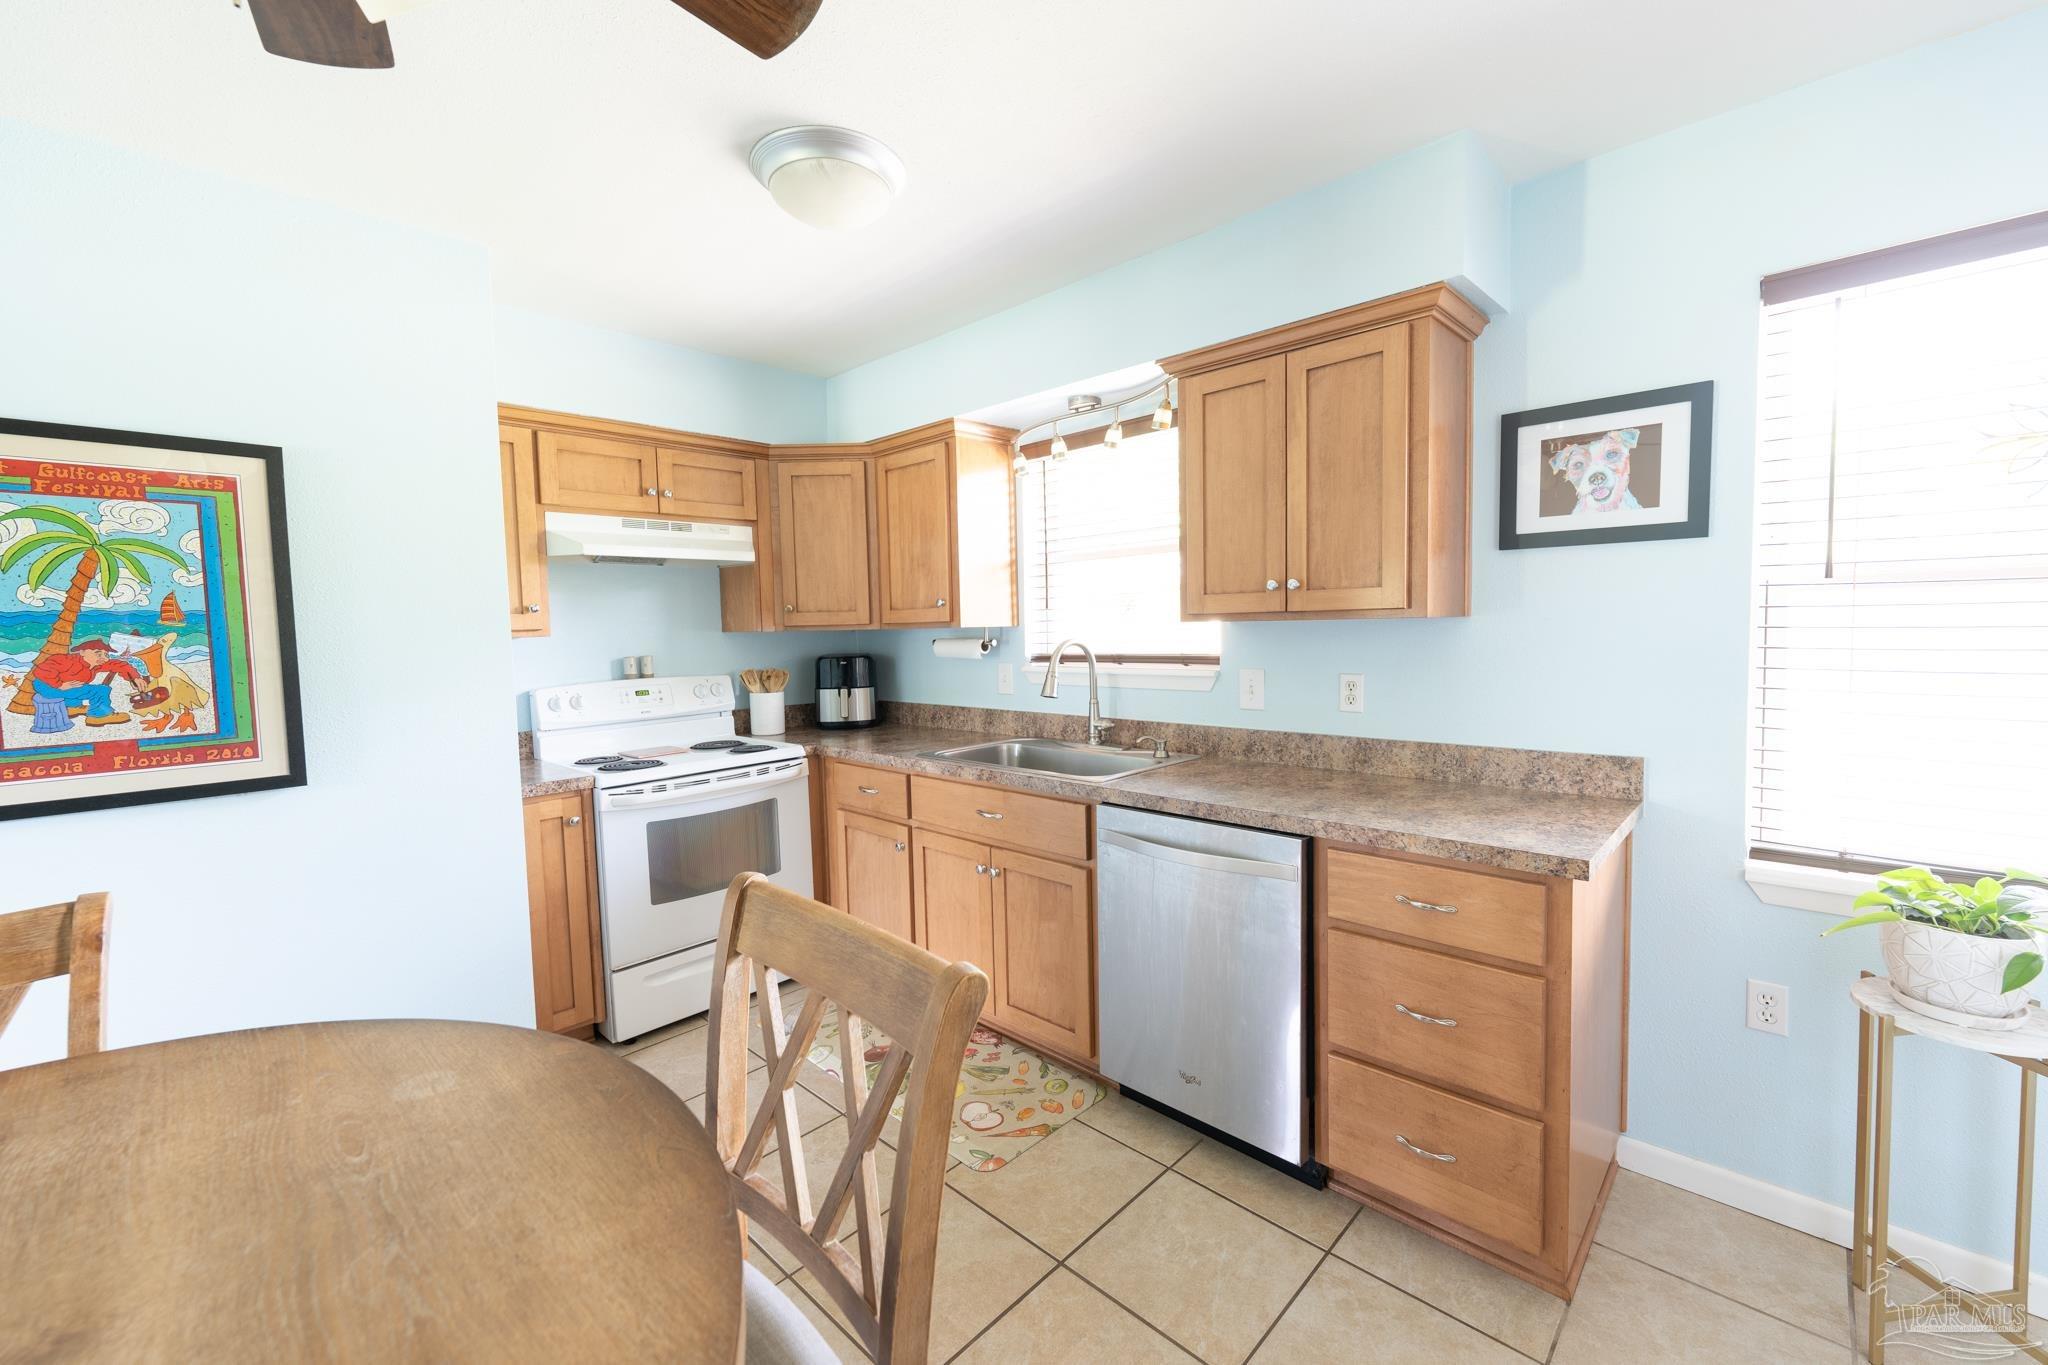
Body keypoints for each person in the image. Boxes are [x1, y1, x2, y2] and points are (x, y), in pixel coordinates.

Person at [31, 639, 146, 727]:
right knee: (99, 691)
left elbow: (119, 665)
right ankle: (99, 715)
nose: (103, 657)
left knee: (79, 687)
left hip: (62, 687)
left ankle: (72, 707)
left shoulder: (95, 664)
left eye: (106, 655)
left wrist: (134, 678)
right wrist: (59, 685)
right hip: (47, 686)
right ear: (82, 652)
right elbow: (42, 669)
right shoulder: (66, 660)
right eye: (98, 653)